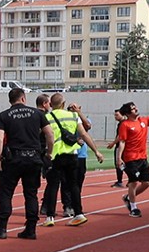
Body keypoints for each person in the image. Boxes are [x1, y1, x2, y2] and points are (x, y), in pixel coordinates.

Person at [0, 88, 54, 241]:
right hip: (34, 159)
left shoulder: (4, 115)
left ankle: (1, 228)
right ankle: (30, 229)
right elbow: (50, 134)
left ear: (10, 100)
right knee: (31, 194)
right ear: (23, 99)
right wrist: (49, 153)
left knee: (6, 193)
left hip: (13, 159)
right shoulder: (38, 114)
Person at [42, 93, 104, 227]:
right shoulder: (73, 116)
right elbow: (84, 134)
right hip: (72, 154)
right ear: (64, 104)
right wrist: (96, 151)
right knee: (74, 185)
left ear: (51, 105)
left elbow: (42, 135)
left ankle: (50, 217)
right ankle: (79, 214)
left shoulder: (47, 117)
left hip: (55, 155)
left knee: (53, 185)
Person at [61, 103, 92, 217]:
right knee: (65, 182)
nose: (72, 110)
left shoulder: (83, 119)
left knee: (78, 182)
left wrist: (79, 113)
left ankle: (75, 205)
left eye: (75, 108)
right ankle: (67, 206)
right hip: (68, 153)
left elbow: (87, 126)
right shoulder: (64, 120)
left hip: (80, 155)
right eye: (70, 108)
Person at [106, 109, 126, 188]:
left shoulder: (122, 124)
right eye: (115, 115)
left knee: (119, 163)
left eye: (117, 115)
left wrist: (113, 143)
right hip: (123, 146)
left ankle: (120, 181)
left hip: (120, 146)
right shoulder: (123, 123)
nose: (115, 117)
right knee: (123, 164)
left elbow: (120, 136)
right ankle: (132, 178)